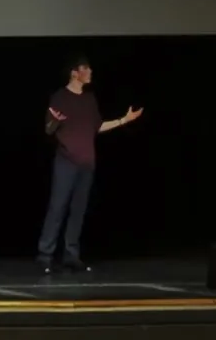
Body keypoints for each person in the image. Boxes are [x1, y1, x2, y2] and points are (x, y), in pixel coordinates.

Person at [37, 56, 143, 274]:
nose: (90, 71)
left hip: (87, 163)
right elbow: (48, 129)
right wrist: (54, 120)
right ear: (74, 73)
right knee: (58, 207)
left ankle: (71, 255)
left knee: (78, 210)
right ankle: (45, 255)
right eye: (86, 68)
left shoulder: (89, 99)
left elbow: (97, 127)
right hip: (67, 161)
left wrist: (124, 120)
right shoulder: (60, 96)